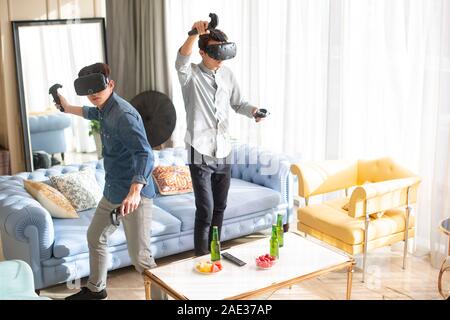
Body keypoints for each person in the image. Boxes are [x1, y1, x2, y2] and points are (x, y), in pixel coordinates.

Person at [57, 63, 166, 300]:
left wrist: (135, 191)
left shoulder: (124, 115)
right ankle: (97, 289)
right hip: (113, 189)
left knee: (141, 258)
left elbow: (145, 153)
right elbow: (93, 113)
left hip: (133, 196)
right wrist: (67, 107)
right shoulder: (105, 108)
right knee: (95, 236)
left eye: (98, 86)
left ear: (111, 84)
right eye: (89, 89)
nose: (94, 93)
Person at [176, 21, 265, 256]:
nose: (220, 58)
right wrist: (194, 33)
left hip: (223, 149)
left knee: (220, 208)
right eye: (215, 52)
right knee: (205, 209)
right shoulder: (190, 75)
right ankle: (200, 258)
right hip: (199, 151)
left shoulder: (227, 74)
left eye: (223, 51)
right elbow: (181, 59)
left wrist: (253, 111)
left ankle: (214, 253)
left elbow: (238, 103)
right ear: (203, 52)